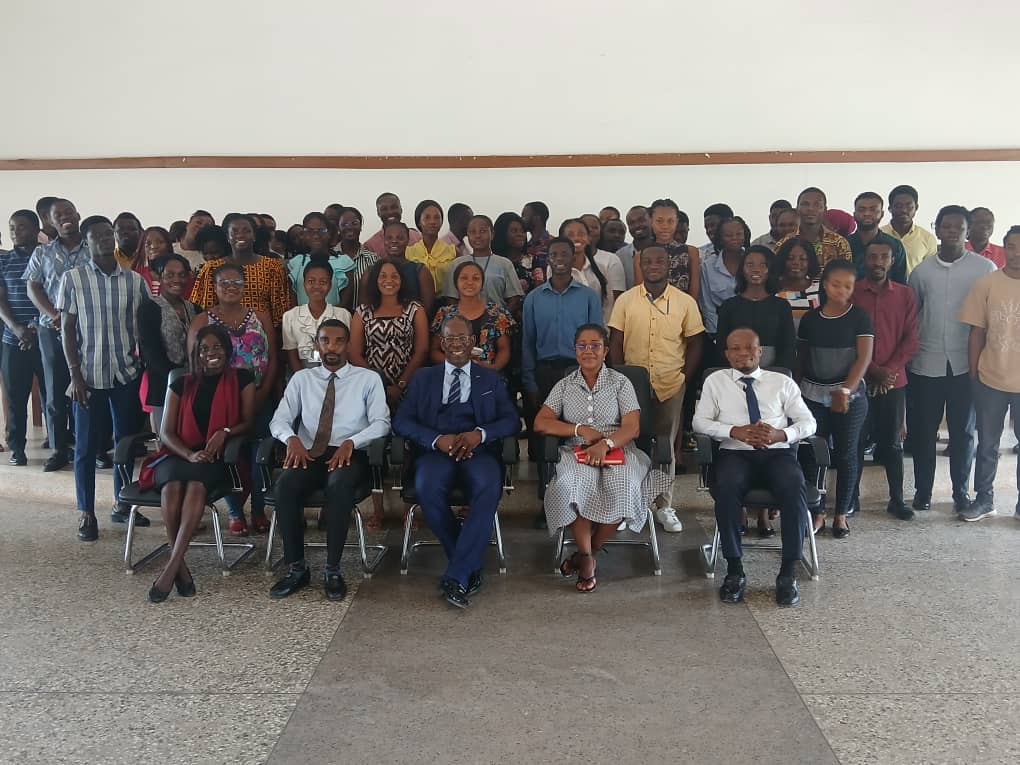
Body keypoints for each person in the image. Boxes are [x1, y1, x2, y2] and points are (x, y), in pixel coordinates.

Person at [393, 314, 521, 608]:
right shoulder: (424, 378)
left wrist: (480, 434)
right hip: (436, 452)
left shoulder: (491, 379)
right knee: (426, 486)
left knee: (488, 486)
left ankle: (457, 573)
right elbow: (401, 421)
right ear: (442, 342)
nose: (457, 344)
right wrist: (436, 439)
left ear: (473, 342)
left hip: (479, 452)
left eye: (462, 338)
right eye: (450, 338)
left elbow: (512, 421)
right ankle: (465, 568)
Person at [532, 322, 666, 591]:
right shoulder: (565, 385)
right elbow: (541, 422)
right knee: (573, 485)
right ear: (575, 350)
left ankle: (588, 554)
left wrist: (606, 443)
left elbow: (632, 427)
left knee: (625, 485)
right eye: (582, 346)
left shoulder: (620, 383)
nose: (588, 351)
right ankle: (586, 557)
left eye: (595, 346)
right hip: (577, 450)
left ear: (605, 351)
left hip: (620, 448)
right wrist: (579, 429)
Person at [268, 319, 391, 602]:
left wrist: (352, 442)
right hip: (309, 452)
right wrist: (291, 439)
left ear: (348, 345)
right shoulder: (302, 379)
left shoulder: (367, 379)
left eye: (338, 341)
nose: (331, 347)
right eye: (325, 341)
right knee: (285, 485)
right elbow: (279, 420)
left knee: (339, 485)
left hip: (350, 453)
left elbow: (382, 423)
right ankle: (297, 568)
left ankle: (332, 570)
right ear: (316, 344)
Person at [693, 328, 816, 607]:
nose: (742, 353)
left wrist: (781, 434)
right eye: (735, 349)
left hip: (777, 453)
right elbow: (699, 422)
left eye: (749, 348)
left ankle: (788, 573)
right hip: (735, 453)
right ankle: (734, 570)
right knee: (726, 486)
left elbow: (809, 422)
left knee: (793, 485)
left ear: (760, 352)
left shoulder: (781, 382)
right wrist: (734, 431)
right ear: (727, 354)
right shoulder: (715, 381)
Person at [59, 216, 152, 542]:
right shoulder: (73, 279)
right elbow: (67, 329)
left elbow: (144, 326)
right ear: (85, 242)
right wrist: (75, 375)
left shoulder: (134, 281)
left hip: (126, 374)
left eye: (106, 233)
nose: (102, 238)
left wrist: (143, 364)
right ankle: (86, 511)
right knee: (85, 447)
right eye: (94, 235)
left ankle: (123, 503)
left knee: (124, 444)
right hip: (88, 376)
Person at [147, 324, 255, 602]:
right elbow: (166, 432)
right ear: (196, 354)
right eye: (204, 348)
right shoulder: (181, 383)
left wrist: (225, 432)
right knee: (172, 487)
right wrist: (188, 454)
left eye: (217, 347)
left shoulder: (242, 378)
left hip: (216, 457)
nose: (211, 353)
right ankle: (178, 568)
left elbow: (248, 422)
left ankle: (172, 567)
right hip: (179, 454)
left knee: (195, 485)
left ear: (227, 350)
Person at [609, 245, 705, 531]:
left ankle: (664, 506)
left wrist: (684, 377)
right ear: (640, 266)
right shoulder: (626, 300)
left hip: (670, 384)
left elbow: (696, 343)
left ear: (669, 265)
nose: (653, 266)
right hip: (631, 387)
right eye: (647, 261)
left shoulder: (685, 302)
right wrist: (620, 378)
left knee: (665, 447)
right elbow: (616, 341)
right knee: (630, 446)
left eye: (659, 261)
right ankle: (629, 505)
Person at [907, 205, 995, 514]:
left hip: (966, 365)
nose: (952, 232)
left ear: (968, 231)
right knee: (923, 432)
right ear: (937, 228)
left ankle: (960, 493)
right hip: (926, 363)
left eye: (959, 228)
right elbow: (914, 313)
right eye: (946, 227)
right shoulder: (922, 272)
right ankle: (922, 491)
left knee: (963, 433)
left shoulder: (984, 269)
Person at [188, 262, 279, 535]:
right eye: (224, 283)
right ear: (214, 287)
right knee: (228, 456)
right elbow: (194, 365)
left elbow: (273, 359)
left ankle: (259, 510)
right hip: (221, 402)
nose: (230, 287)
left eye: (236, 282)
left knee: (261, 456)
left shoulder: (260, 317)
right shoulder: (202, 321)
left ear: (244, 286)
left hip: (260, 397)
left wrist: (263, 392)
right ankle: (235, 512)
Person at [522, 237, 604, 527]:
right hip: (544, 372)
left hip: (579, 372)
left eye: (564, 254)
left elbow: (596, 341)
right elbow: (527, 343)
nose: (559, 258)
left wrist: (594, 379)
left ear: (573, 258)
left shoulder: (588, 297)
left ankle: (583, 502)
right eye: (553, 254)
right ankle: (548, 504)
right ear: (547, 259)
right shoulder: (534, 298)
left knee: (577, 437)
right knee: (546, 441)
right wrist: (529, 382)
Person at [349, 258, 429, 529]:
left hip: (409, 388)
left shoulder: (414, 309)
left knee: (409, 446)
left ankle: (409, 510)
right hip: (372, 390)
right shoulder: (362, 312)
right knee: (375, 447)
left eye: (394, 275)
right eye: (383, 276)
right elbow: (354, 353)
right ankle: (378, 510)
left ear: (402, 280)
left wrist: (401, 384)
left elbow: (421, 350)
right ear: (375, 280)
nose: (389, 280)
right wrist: (380, 386)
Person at [797, 260, 874, 538]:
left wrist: (846, 391)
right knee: (813, 453)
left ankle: (840, 514)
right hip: (813, 394)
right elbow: (802, 358)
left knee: (846, 453)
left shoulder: (860, 317)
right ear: (825, 285)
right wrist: (795, 392)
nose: (841, 290)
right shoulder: (810, 319)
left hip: (849, 396)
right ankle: (817, 511)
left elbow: (864, 358)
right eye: (836, 284)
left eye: (848, 286)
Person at [850, 240, 919, 520]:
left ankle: (897, 500)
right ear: (864, 260)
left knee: (892, 443)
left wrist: (887, 370)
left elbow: (911, 339)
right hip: (859, 379)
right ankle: (851, 498)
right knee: (855, 440)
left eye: (884, 257)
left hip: (893, 381)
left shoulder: (905, 294)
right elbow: (847, 337)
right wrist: (872, 369)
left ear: (892, 261)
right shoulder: (852, 293)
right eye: (872, 256)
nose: (878, 262)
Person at [25, 198, 91, 473]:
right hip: (50, 329)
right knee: (53, 392)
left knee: (87, 388)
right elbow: (33, 287)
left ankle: (90, 447)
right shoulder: (42, 253)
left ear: (78, 214)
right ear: (50, 221)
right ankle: (59, 449)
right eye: (58, 215)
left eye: (68, 212)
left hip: (87, 330)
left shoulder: (93, 248)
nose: (64, 217)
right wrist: (53, 314)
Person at [959, 225, 1020, 521]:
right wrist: (973, 375)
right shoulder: (987, 284)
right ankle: (984, 499)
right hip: (990, 378)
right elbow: (976, 333)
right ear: (1003, 248)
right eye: (1012, 247)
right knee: (987, 445)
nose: (1017, 253)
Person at [190, 213, 291, 328]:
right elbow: (203, 308)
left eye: (246, 231)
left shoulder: (273, 267)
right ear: (228, 237)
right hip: (221, 333)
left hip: (262, 331)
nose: (240, 235)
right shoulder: (211, 268)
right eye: (235, 231)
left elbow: (280, 312)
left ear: (254, 235)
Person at [0, 210, 45, 467]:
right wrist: (17, 328)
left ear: (36, 229)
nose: (15, 232)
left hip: (46, 337)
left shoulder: (47, 257)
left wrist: (37, 328)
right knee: (15, 397)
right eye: (12, 228)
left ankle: (60, 443)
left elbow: (54, 295)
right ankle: (17, 447)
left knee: (54, 396)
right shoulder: (4, 261)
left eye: (21, 227)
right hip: (13, 339)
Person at [137, 254, 201, 434]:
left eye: (182, 275)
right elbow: (151, 353)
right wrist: (178, 378)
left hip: (195, 385)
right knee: (167, 439)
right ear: (159, 277)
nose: (177, 280)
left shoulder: (195, 308)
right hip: (163, 385)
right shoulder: (148, 309)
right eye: (170, 275)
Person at [717, 246, 797, 370]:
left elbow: (788, 348)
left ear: (770, 270)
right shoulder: (728, 306)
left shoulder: (782, 306)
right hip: (735, 374)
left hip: (775, 375)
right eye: (750, 265)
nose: (756, 269)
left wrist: (775, 375)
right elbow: (722, 348)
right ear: (742, 269)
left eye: (763, 265)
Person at [430, 261, 514, 372]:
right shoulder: (444, 313)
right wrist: (456, 364)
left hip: (487, 374)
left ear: (482, 283)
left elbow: (504, 349)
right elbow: (434, 350)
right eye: (464, 278)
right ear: (456, 283)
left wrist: (493, 368)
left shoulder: (497, 313)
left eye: (476, 278)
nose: (470, 282)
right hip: (451, 374)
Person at [443, 215, 524, 314]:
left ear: (492, 234)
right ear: (467, 235)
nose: (477, 236)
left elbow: (515, 299)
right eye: (473, 232)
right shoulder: (457, 264)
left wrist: (500, 317)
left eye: (482, 231)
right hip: (463, 321)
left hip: (497, 320)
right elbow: (451, 298)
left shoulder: (505, 264)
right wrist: (461, 318)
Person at [282, 260, 352, 373]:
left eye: (323, 282)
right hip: (302, 375)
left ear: (330, 285)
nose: (317, 286)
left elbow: (347, 353)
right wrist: (305, 380)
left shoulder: (342, 315)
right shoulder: (290, 316)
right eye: (311, 281)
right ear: (304, 284)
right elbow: (292, 356)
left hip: (336, 373)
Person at [359, 221, 435, 316]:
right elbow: (363, 309)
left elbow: (427, 309)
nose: (394, 241)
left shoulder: (420, 271)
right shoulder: (370, 272)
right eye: (389, 238)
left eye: (400, 238)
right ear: (384, 240)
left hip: (414, 323)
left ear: (408, 240)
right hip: (376, 323)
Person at [557, 217, 626, 321]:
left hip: (599, 328)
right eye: (570, 235)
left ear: (589, 239)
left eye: (581, 234)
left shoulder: (601, 268)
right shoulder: (555, 269)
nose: (576, 238)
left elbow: (609, 305)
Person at [632, 199, 701, 304]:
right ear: (651, 221)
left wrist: (685, 310)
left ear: (676, 222)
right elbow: (641, 293)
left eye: (670, 221)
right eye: (659, 221)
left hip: (685, 309)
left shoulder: (691, 252)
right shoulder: (640, 256)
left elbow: (694, 294)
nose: (665, 226)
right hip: (649, 310)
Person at [286, 212, 355, 306]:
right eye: (310, 231)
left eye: (321, 230)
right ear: (304, 234)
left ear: (329, 233)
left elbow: (346, 303)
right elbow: (293, 302)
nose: (316, 235)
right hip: (301, 315)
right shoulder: (296, 263)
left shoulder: (343, 262)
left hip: (335, 315)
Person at [699, 216, 749, 344]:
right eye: (728, 235)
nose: (734, 238)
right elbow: (707, 306)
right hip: (720, 332)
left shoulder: (753, 261)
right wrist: (718, 335)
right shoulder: (707, 266)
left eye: (739, 234)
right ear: (720, 238)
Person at [773, 187, 852, 268]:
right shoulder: (783, 243)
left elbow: (846, 273)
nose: (810, 209)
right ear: (797, 209)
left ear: (825, 210)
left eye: (817, 205)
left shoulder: (839, 243)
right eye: (805, 204)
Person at [848, 192, 908, 284]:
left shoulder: (895, 245)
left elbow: (900, 284)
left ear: (882, 214)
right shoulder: (844, 244)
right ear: (854, 214)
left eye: (873, 209)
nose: (867, 213)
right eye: (862, 210)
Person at [881, 185, 938, 275]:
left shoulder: (927, 238)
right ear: (890, 208)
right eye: (898, 206)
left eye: (909, 206)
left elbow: (931, 272)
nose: (904, 210)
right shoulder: (879, 235)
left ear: (916, 207)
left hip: (915, 284)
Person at [406, 200, 457, 291]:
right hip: (416, 299)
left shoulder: (453, 252)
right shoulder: (408, 252)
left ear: (441, 221)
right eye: (427, 217)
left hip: (446, 299)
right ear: (419, 222)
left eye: (437, 217)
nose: (432, 221)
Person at [335, 207, 379, 309]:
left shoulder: (374, 260)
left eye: (354, 223)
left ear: (361, 226)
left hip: (365, 316)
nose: (349, 227)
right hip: (333, 317)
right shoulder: (329, 258)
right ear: (338, 228)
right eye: (344, 224)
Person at [775, 238, 822, 327]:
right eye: (790, 258)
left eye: (803, 259)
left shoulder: (821, 289)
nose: (796, 263)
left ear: (810, 261)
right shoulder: (772, 289)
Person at [130, 226, 189, 296]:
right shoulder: (135, 276)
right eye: (148, 244)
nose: (153, 246)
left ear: (168, 245)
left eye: (160, 242)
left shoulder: (183, 272)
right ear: (143, 249)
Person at [492, 211, 536, 296]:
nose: (520, 234)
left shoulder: (533, 260)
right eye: (514, 231)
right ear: (502, 233)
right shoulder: (493, 261)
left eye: (522, 231)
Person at [614, 205, 654, 290]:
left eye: (641, 220)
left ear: (651, 220)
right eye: (631, 223)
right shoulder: (620, 256)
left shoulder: (665, 250)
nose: (637, 225)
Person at [522, 201, 552, 279]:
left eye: (524, 216)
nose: (521, 220)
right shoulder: (525, 247)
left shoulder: (553, 244)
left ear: (536, 218)